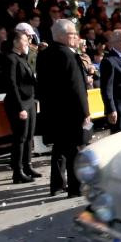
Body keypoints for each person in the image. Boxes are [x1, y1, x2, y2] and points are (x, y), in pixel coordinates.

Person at [36, 19, 90, 197]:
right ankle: (75, 188)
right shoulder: (68, 55)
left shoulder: (44, 54)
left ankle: (57, 185)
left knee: (59, 149)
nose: (76, 37)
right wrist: (85, 112)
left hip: (53, 111)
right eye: (73, 33)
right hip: (70, 112)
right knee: (73, 150)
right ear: (62, 36)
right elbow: (77, 88)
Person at [3, 31, 42, 184]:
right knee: (20, 138)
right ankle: (17, 171)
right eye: (25, 40)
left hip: (29, 101)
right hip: (18, 103)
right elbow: (12, 85)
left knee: (29, 137)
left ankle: (27, 165)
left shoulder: (22, 58)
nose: (27, 42)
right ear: (15, 42)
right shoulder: (10, 59)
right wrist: (20, 108)